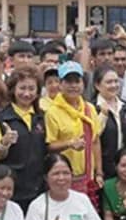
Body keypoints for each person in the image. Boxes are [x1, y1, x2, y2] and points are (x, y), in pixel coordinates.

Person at [44, 62, 103, 206]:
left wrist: (99, 172)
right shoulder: (53, 112)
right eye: (68, 82)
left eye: (77, 81)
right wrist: (69, 144)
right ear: (60, 85)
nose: (73, 86)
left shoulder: (89, 109)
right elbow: (49, 145)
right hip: (64, 178)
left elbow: (95, 141)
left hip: (88, 177)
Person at [0, 66, 46, 211]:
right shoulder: (1, 117)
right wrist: (4, 143)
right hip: (12, 189)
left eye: (31, 89)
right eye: (22, 88)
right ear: (13, 90)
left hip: (38, 187)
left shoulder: (42, 117)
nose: (27, 93)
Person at [95, 68, 126, 181]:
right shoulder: (92, 108)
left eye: (116, 81)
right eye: (109, 82)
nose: (114, 85)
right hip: (102, 171)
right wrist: (103, 115)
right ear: (97, 85)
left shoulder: (125, 107)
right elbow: (94, 137)